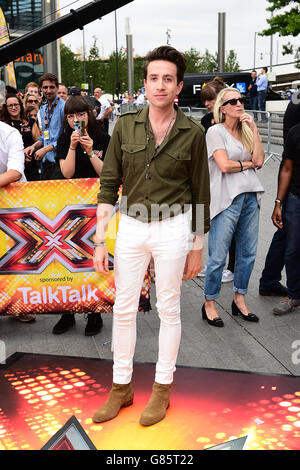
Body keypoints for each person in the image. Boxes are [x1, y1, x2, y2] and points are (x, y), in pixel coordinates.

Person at [92, 45, 210, 427]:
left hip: (174, 225)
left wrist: (198, 245)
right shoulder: (124, 125)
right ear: (144, 83)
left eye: (168, 79)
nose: (160, 85)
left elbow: (200, 193)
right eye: (154, 78)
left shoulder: (193, 133)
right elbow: (109, 183)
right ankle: (121, 387)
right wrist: (98, 239)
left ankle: (162, 390)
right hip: (132, 225)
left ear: (178, 87)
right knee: (123, 308)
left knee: (168, 308)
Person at [203, 87, 264, 327]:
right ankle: (209, 302)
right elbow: (224, 166)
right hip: (226, 198)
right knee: (218, 256)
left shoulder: (247, 130)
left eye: (241, 100)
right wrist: (248, 163)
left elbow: (259, 160)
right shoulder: (215, 131)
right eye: (233, 101)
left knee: (248, 253)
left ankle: (239, 299)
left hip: (250, 196)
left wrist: (256, 131)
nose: (239, 104)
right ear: (222, 108)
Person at [51, 95, 110, 336]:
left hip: (97, 205)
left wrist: (90, 151)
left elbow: (107, 173)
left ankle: (94, 313)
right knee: (68, 258)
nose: (76, 120)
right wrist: (74, 147)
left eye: (80, 114)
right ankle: (68, 312)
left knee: (92, 259)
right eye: (71, 116)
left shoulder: (103, 137)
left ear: (89, 114)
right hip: (70, 206)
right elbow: (67, 173)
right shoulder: (65, 138)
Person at [259, 101, 300, 297]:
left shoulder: (295, 100)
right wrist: (279, 201)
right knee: (286, 236)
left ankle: (270, 279)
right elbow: (288, 164)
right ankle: (271, 281)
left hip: (290, 172)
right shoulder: (296, 106)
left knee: (285, 235)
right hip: (292, 177)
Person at [198, 77, 234, 283]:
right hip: (209, 177)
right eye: (205, 100)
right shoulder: (205, 120)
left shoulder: (235, 120)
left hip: (230, 179)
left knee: (232, 225)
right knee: (209, 222)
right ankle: (213, 263)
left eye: (210, 99)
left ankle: (232, 267)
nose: (207, 104)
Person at [271, 121, 300, 315]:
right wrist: (278, 202)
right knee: (292, 250)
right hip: (295, 199)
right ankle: (293, 296)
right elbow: (287, 168)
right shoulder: (295, 133)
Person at [24, 73, 65, 180]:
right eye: (45, 87)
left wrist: (46, 149)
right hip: (46, 163)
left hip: (60, 162)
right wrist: (33, 146)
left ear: (57, 88)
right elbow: (45, 137)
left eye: (51, 87)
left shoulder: (64, 107)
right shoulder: (43, 109)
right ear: (41, 89)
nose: (48, 90)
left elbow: (67, 137)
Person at [1, 94, 41, 181]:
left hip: (31, 164)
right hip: (11, 169)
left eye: (16, 104)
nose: (13, 107)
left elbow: (39, 141)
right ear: (6, 108)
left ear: (20, 105)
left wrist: (32, 148)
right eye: (10, 105)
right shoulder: (3, 126)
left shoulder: (30, 122)